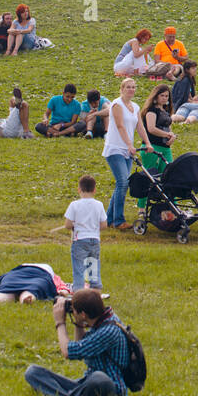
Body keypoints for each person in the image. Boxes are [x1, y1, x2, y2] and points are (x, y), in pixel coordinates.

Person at [23, 289, 130, 396]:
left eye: (74, 310)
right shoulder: (102, 319)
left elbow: (68, 352)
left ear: (83, 314)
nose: (72, 312)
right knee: (33, 372)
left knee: (99, 378)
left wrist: (60, 323)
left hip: (111, 388)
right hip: (86, 383)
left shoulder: (109, 331)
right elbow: (81, 343)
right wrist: (78, 323)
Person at [102, 78, 152, 230]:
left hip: (127, 151)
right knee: (123, 183)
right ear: (122, 89)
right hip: (115, 148)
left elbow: (140, 127)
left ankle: (109, 219)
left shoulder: (135, 107)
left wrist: (147, 142)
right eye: (128, 87)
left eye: (133, 87)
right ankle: (119, 221)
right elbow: (120, 126)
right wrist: (129, 144)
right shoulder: (117, 105)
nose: (131, 89)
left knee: (122, 184)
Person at [64, 175, 106, 292]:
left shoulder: (74, 205)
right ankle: (96, 293)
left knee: (79, 269)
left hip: (79, 241)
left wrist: (74, 225)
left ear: (79, 189)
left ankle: (78, 292)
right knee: (93, 269)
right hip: (95, 241)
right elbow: (104, 225)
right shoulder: (99, 205)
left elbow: (67, 225)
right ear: (94, 190)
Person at [138, 84, 175, 200]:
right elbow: (151, 128)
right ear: (155, 97)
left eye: (167, 96)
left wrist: (171, 136)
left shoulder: (165, 111)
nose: (165, 98)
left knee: (170, 175)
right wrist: (167, 134)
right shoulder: (151, 111)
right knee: (149, 177)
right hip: (152, 146)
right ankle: (142, 208)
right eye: (162, 96)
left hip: (165, 147)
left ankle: (172, 205)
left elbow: (168, 127)